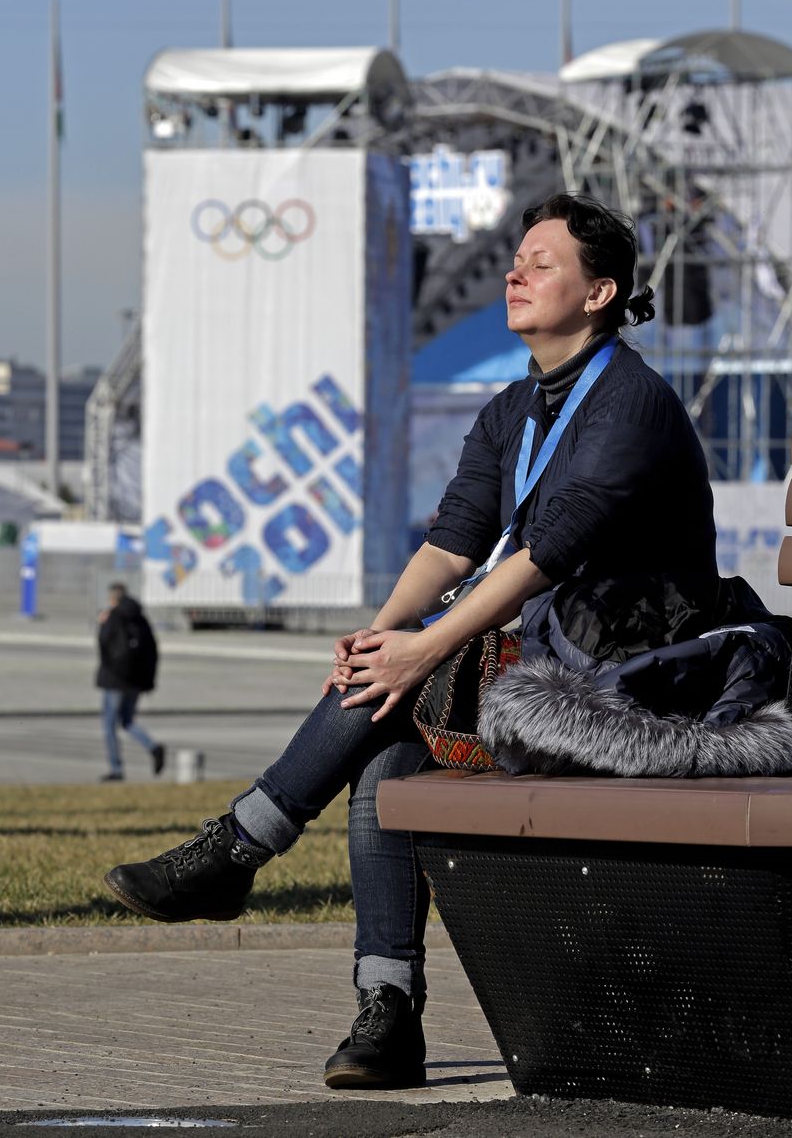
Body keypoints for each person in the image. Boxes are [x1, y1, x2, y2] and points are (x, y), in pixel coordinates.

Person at [104, 193, 729, 1088]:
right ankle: (375, 999)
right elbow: (454, 542)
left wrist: (424, 648)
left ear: (600, 294)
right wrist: (382, 635)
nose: (515, 273)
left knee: (399, 705)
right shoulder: (513, 407)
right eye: (517, 258)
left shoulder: (630, 402)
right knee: (388, 721)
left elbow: (548, 554)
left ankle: (255, 865)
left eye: (541, 263)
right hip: (561, 669)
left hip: (644, 688)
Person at [96, 582, 165, 782]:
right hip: (135, 681)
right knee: (126, 720)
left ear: (113, 599)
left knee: (110, 725)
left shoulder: (113, 617)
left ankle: (116, 768)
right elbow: (152, 650)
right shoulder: (140, 618)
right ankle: (152, 747)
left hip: (115, 681)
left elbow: (104, 645)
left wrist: (101, 625)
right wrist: (149, 681)